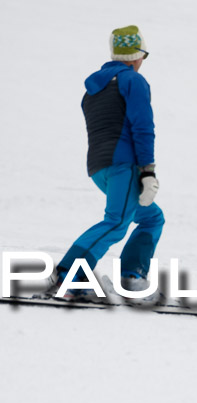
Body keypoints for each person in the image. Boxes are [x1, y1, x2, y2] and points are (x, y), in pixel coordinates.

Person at [44, 25, 164, 298]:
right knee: (117, 221)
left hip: (99, 167)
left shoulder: (93, 89)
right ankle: (69, 274)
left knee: (152, 218)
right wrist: (147, 172)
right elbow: (143, 127)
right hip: (124, 165)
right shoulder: (133, 81)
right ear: (136, 55)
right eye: (143, 56)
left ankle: (132, 276)